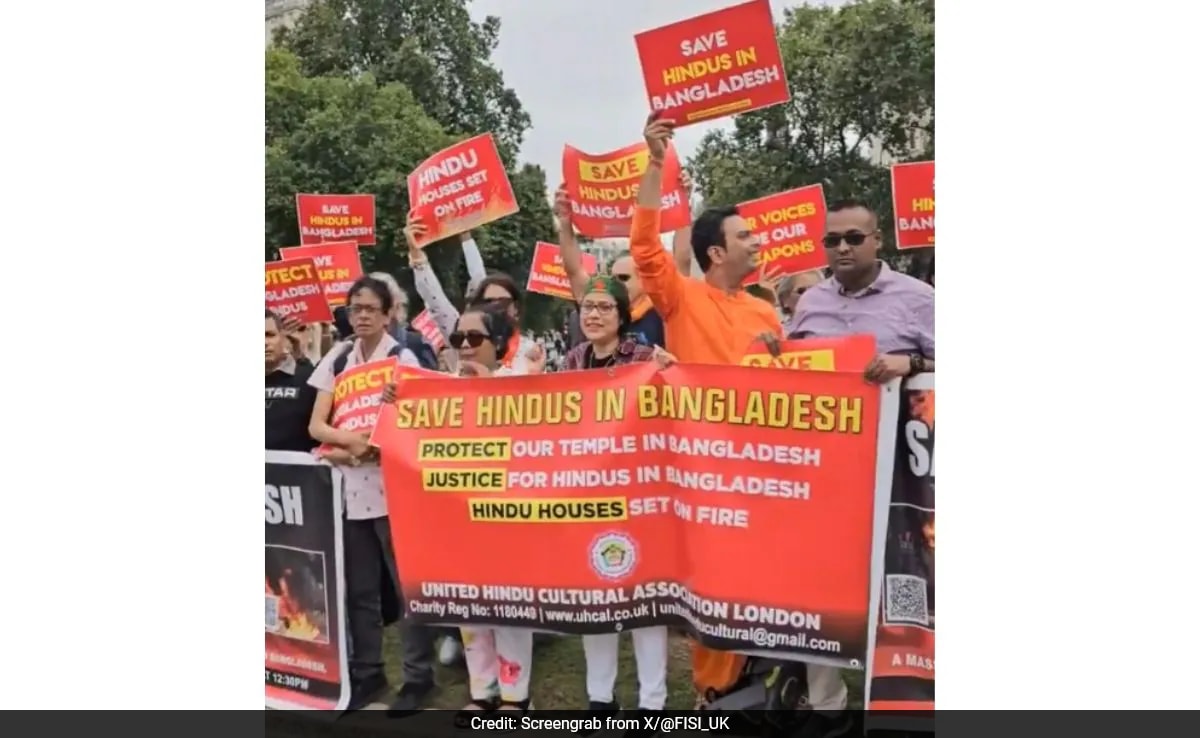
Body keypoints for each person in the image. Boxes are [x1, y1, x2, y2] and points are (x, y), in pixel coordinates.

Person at [304, 276, 438, 713]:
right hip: (350, 489)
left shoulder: (404, 356)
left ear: (388, 314)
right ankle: (369, 672)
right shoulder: (338, 357)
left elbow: (418, 418)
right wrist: (354, 444)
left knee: (405, 589)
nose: (360, 316)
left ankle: (418, 677)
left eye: (369, 309)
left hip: (394, 489)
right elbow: (316, 425)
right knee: (360, 589)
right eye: (354, 308)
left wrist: (370, 443)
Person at [561, 276, 675, 725]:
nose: (593, 315)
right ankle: (600, 699)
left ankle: (653, 704)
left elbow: (677, 405)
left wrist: (673, 372)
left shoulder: (645, 358)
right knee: (595, 599)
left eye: (605, 307)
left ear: (622, 315)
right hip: (590, 497)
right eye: (587, 306)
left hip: (641, 498)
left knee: (646, 599)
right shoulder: (572, 361)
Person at [786, 199, 935, 383]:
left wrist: (913, 363)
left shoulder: (920, 298)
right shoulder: (810, 301)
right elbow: (788, 367)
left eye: (854, 238)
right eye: (832, 241)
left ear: (877, 240)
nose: (842, 248)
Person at [553, 172, 695, 348]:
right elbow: (574, 270)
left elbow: (682, 259)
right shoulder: (602, 311)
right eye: (613, 278)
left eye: (623, 278)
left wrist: (682, 204)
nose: (616, 284)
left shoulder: (665, 310)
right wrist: (564, 220)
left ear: (645, 280)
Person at [265, 309, 318, 452]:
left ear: (283, 337)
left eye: (269, 335)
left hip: (298, 470)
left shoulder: (310, 378)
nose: (264, 343)